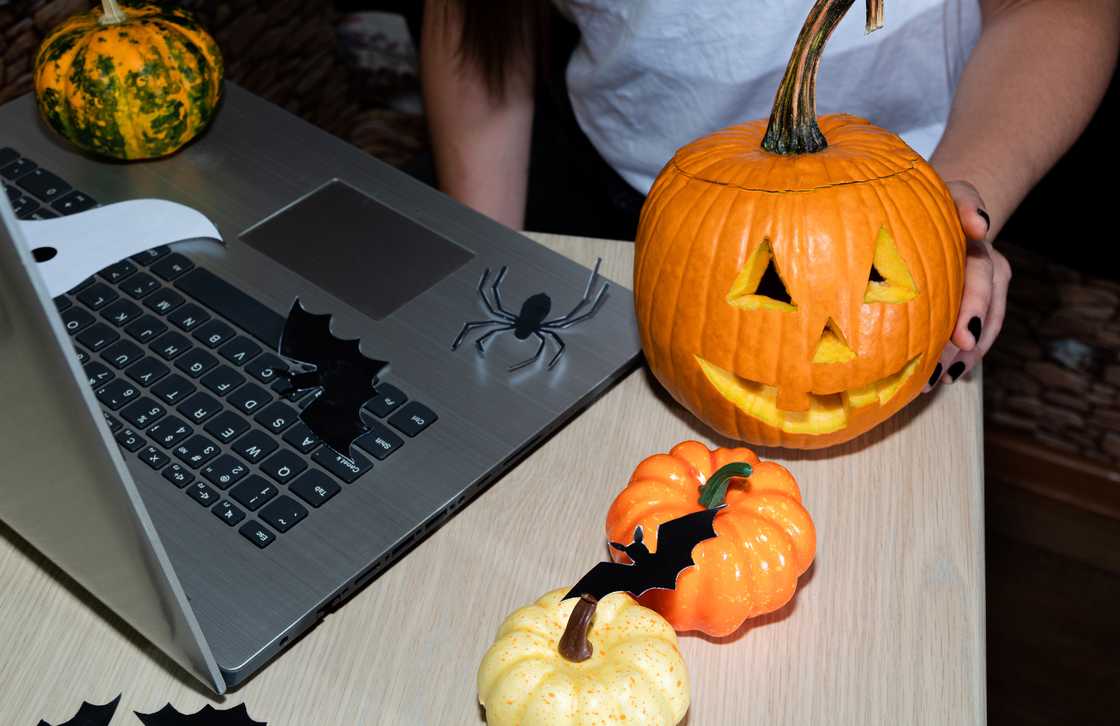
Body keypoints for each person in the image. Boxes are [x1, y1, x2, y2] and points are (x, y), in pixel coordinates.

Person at [419, 0, 1120, 390]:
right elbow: (478, 26)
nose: (829, 346)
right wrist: (486, 267)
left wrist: (958, 212)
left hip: (930, 196)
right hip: (625, 200)